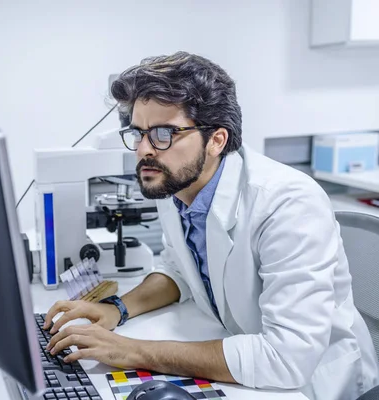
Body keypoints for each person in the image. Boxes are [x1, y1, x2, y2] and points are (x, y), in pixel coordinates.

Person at [43, 51, 379, 400]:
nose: (143, 149)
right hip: (238, 355)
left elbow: (286, 358)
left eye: (163, 133)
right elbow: (178, 269)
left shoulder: (288, 203)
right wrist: (116, 308)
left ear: (217, 140)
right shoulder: (177, 185)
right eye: (138, 132)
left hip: (311, 385)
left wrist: (131, 350)